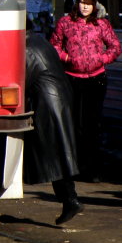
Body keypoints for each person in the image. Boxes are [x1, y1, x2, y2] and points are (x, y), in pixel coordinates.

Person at [50, 0, 122, 182]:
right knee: (73, 123)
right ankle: (72, 167)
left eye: (89, 4)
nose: (85, 7)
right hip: (71, 79)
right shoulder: (65, 22)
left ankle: (92, 168)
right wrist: (65, 57)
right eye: (82, 2)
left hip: (96, 79)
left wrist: (102, 59)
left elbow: (115, 47)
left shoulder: (102, 24)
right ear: (76, 3)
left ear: (94, 6)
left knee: (92, 124)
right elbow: (54, 45)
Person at [25, 23, 83, 225]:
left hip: (49, 104)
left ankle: (71, 200)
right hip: (56, 100)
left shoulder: (28, 47)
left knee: (56, 153)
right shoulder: (38, 40)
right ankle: (69, 200)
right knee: (58, 153)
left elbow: (23, 78)